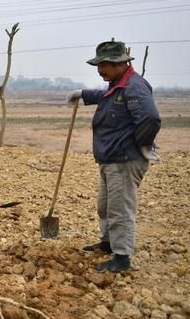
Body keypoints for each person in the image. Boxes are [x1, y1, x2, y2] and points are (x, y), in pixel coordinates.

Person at [67, 40, 160, 272]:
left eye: (104, 65)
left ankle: (121, 257)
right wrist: (84, 94)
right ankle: (108, 243)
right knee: (105, 205)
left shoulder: (134, 86)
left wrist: (138, 144)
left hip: (124, 159)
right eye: (98, 65)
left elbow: (150, 119)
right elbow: (107, 96)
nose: (100, 70)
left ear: (120, 63)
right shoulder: (118, 84)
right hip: (111, 159)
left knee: (120, 208)